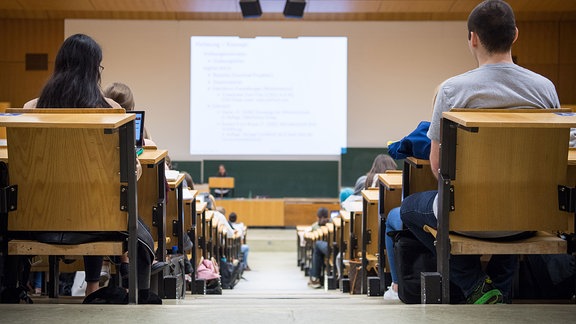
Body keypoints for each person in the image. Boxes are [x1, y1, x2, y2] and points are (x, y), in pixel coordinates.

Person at [400, 0, 560, 304]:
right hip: (529, 217)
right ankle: (499, 285)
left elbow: (437, 167)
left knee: (408, 209)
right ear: (515, 35)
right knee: (514, 196)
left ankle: (477, 285)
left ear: (472, 38)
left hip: (467, 217)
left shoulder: (452, 90)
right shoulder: (545, 90)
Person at [22, 33, 160, 303]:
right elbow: (132, 172)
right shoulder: (111, 111)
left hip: (38, 220)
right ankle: (135, 290)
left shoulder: (31, 109)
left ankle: (14, 285)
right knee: (108, 207)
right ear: (94, 69)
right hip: (97, 221)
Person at [307, 207, 331, 289]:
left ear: (317, 217)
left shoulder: (315, 226)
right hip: (336, 248)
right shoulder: (333, 224)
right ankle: (315, 277)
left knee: (316, 246)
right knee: (317, 251)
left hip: (330, 249)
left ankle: (315, 278)